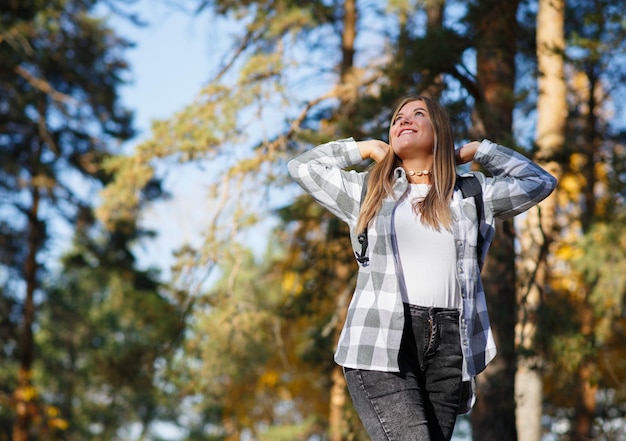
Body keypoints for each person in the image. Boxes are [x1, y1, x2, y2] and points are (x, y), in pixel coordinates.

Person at [287, 94, 557, 441]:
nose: (404, 120)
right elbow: (303, 167)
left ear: (441, 131)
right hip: (382, 343)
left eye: (418, 114)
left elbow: (539, 182)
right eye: (398, 117)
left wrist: (477, 151)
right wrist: (365, 148)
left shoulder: (472, 194)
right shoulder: (369, 191)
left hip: (449, 350)